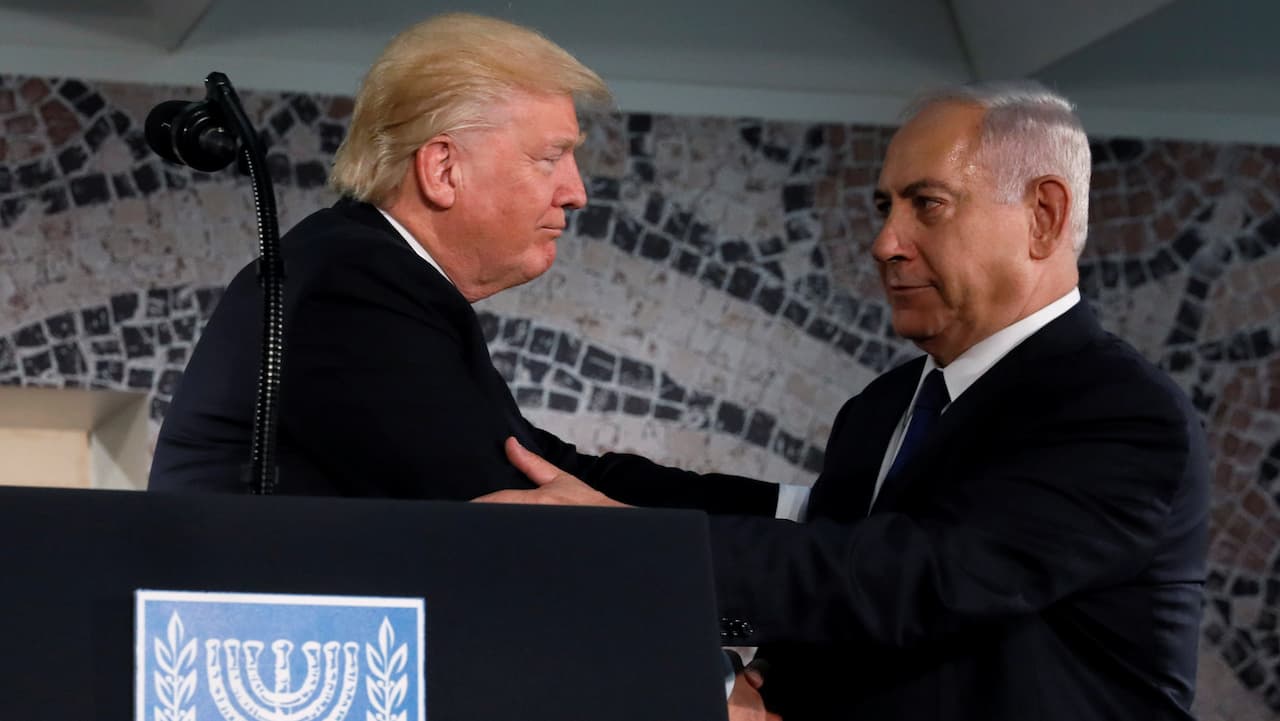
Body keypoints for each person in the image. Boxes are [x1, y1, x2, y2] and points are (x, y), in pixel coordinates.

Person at [479, 82, 1211, 721]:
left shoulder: (1119, 411)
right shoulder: (882, 407)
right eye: (885, 206)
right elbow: (835, 597)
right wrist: (762, 682)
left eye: (927, 204)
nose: (885, 241)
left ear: (1044, 215)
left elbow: (917, 579)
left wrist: (638, 549)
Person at [146, 13, 778, 517]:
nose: (577, 191)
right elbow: (515, 518)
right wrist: (712, 676)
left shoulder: (366, 269)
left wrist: (795, 509)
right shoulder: (351, 286)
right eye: (550, 157)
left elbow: (552, 471)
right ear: (443, 168)